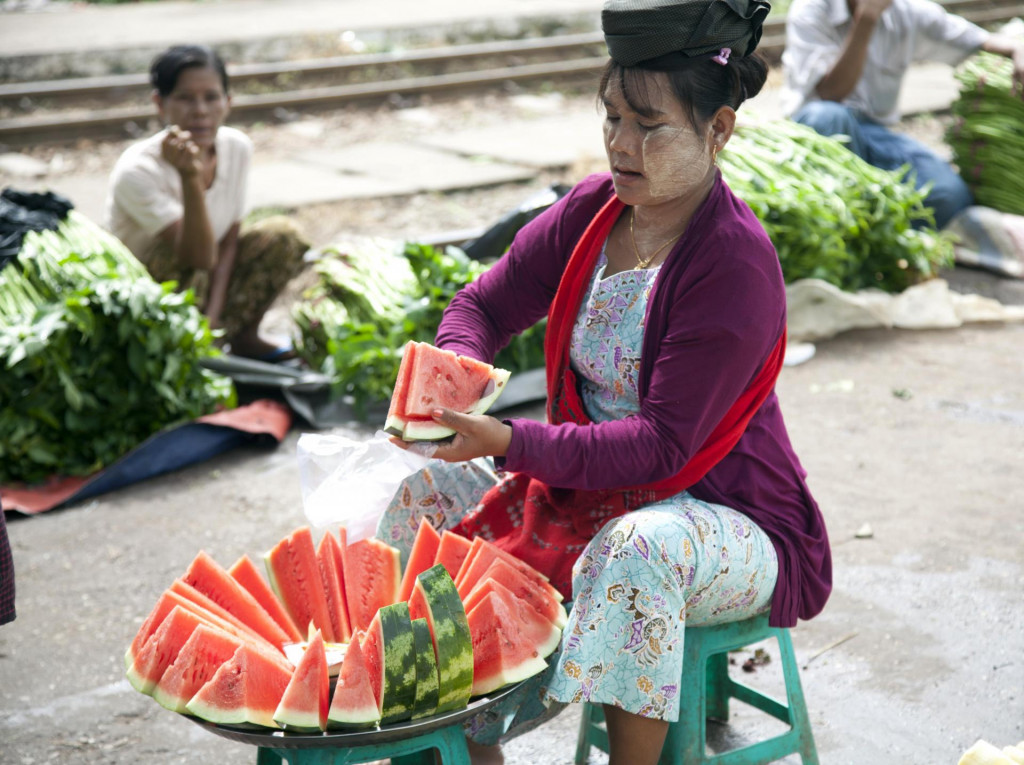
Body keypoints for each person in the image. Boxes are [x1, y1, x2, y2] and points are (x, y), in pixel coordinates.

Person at [381, 0, 832, 762]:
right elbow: (483, 302)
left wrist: (513, 441)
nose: (622, 144)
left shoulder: (734, 264)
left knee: (635, 550)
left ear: (718, 130)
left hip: (727, 517)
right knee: (416, 497)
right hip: (587, 486)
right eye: (612, 117)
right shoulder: (596, 208)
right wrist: (452, 376)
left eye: (650, 126)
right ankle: (460, 750)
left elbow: (660, 447)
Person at [105, 45, 308, 360]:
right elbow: (197, 255)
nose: (200, 111)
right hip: (151, 290)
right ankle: (173, 350)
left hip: (207, 275)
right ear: (160, 104)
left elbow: (228, 241)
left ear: (227, 103)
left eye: (211, 97)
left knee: (282, 234)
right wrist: (190, 176)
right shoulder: (137, 171)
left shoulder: (236, 147)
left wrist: (213, 319)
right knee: (180, 250)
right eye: (185, 98)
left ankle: (242, 338)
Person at [781, 0, 1024, 229]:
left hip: (875, 134)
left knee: (950, 195)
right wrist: (865, 21)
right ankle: (836, 220)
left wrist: (1016, 47)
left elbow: (975, 40)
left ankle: (873, 227)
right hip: (819, 130)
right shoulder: (812, 9)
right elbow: (830, 93)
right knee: (827, 116)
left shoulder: (907, 11)